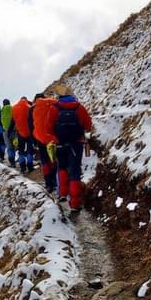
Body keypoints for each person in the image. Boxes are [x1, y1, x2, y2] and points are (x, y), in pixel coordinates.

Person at [45, 84, 92, 212]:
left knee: (62, 167)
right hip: (76, 144)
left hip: (60, 143)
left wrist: (55, 137)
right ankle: (75, 203)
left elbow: (48, 128)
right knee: (75, 171)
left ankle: (62, 193)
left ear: (59, 96)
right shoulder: (79, 107)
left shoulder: (54, 108)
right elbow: (88, 125)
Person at [30, 92, 58, 193]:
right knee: (53, 158)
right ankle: (54, 180)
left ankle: (48, 184)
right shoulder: (52, 104)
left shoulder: (32, 109)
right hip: (51, 137)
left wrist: (33, 141)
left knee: (45, 161)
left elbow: (31, 126)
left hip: (39, 138)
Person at [12, 96, 34, 173]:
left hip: (20, 132)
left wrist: (9, 132)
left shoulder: (14, 108)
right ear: (26, 100)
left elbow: (13, 121)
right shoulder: (29, 107)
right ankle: (30, 166)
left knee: (21, 150)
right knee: (29, 149)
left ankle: (22, 167)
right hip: (29, 132)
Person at [0, 99, 16, 166]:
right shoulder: (13, 108)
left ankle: (12, 162)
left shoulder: (2, 110)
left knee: (9, 146)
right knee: (14, 144)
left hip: (5, 130)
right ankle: (16, 159)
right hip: (13, 129)